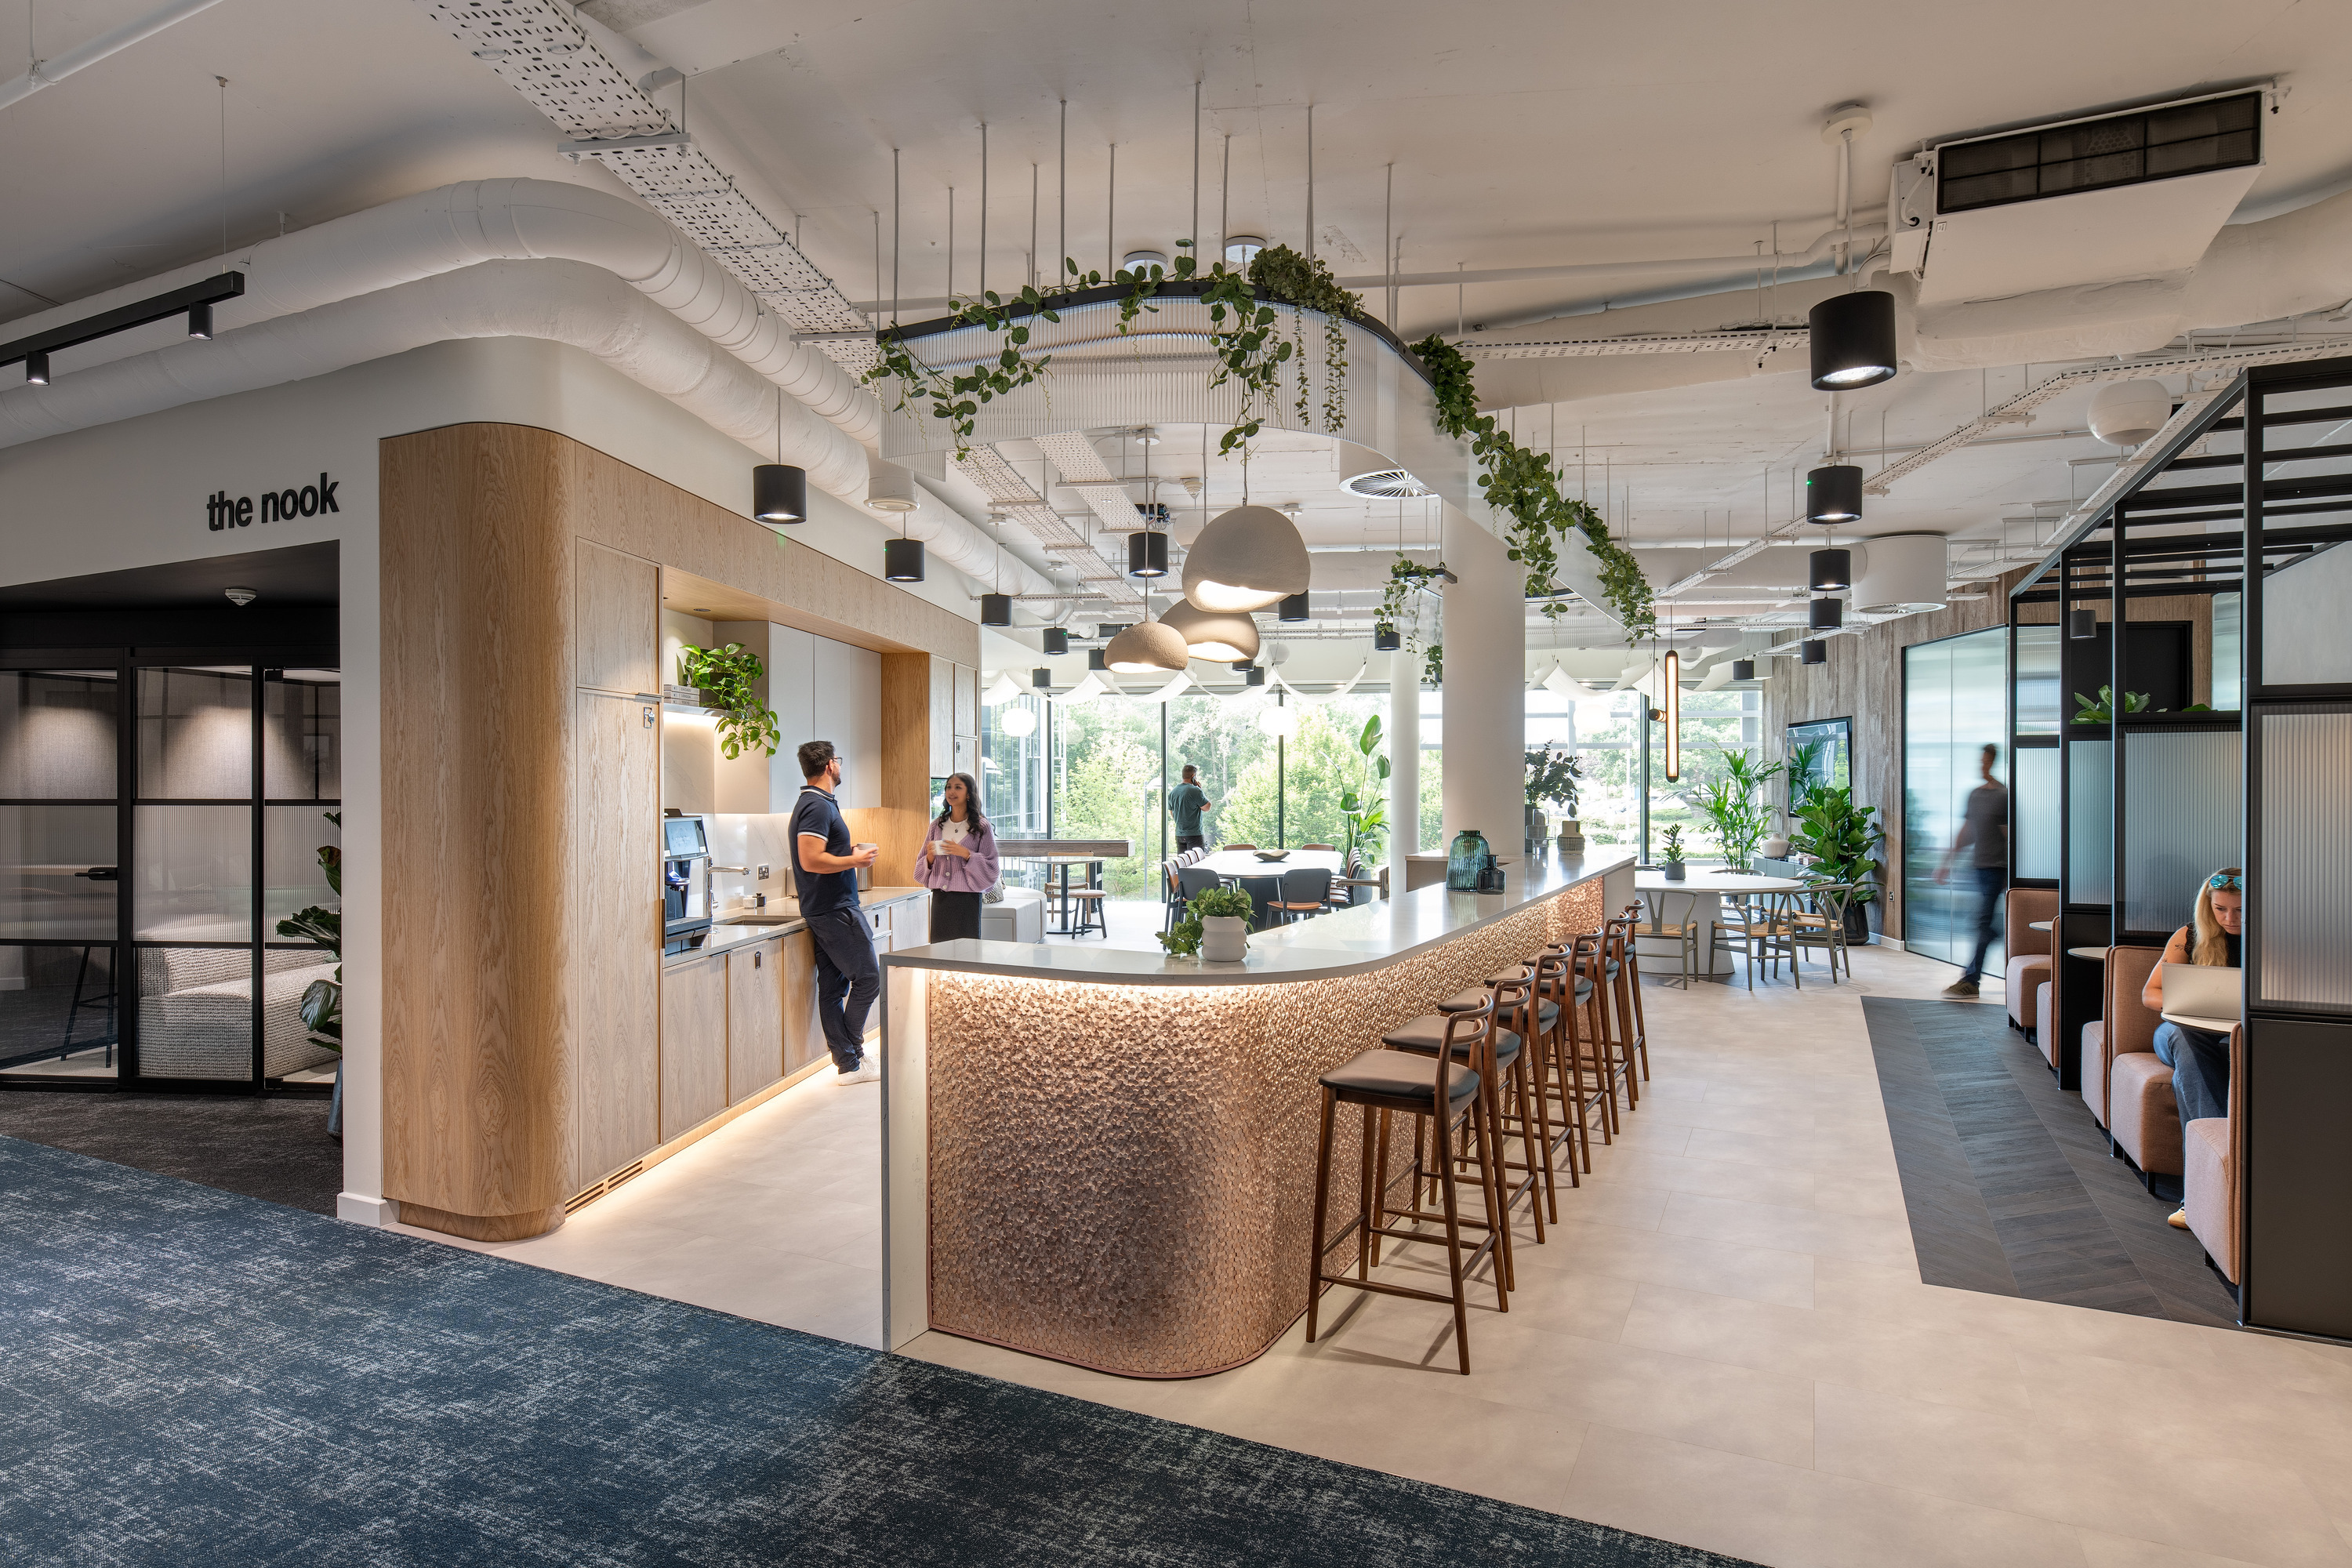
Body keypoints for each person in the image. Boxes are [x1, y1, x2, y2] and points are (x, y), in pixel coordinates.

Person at [2143, 867, 2243, 1229]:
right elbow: (2150, 993)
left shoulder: (2274, 943)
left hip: (2231, 1040)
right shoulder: (2189, 936)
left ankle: (2200, 1194)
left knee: (2193, 1069)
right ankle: (2222, 1175)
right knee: (2185, 1040)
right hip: (2180, 1032)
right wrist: (2186, 1006)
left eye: (2240, 910)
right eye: (2220, 909)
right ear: (2208, 906)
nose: (2229, 918)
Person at [791, 740, 880, 1086]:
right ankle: (853, 1051)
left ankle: (848, 1066)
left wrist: (849, 853)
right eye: (838, 761)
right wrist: (855, 860)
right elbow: (810, 859)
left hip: (825, 908)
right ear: (830, 765)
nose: (839, 767)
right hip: (835, 909)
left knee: (831, 989)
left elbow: (820, 852)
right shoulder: (816, 806)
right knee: (870, 979)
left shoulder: (820, 803)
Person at [1936, 743, 2009, 999]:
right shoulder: (1975, 795)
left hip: (1996, 869)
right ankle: (1994, 933)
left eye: (1986, 761)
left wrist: (2011, 874)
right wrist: (1946, 863)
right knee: (1981, 923)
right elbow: (1967, 833)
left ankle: (1971, 981)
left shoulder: (2003, 795)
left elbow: (2008, 836)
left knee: (1981, 922)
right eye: (1980, 761)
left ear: (1993, 762)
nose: (1982, 766)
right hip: (1977, 867)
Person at [916, 771, 998, 942]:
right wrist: (930, 856)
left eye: (958, 787)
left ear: (968, 794)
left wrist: (966, 854)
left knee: (968, 954)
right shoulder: (937, 825)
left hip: (968, 900)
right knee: (940, 953)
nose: (951, 792)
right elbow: (920, 866)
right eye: (948, 787)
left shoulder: (982, 826)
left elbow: (991, 867)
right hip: (941, 898)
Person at [1167, 764, 1215, 852]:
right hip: (1194, 834)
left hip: (1179, 835)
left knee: (1183, 863)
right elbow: (1207, 808)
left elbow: (1172, 812)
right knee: (1196, 864)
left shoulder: (1173, 792)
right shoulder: (1195, 790)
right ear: (1193, 776)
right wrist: (1201, 790)